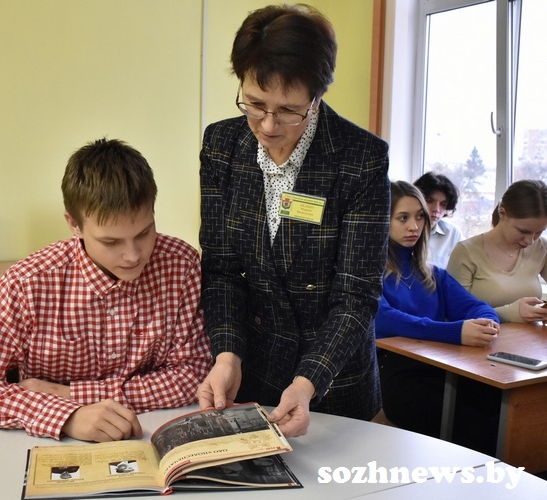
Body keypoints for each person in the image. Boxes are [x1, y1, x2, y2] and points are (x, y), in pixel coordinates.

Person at [196, 4, 390, 438]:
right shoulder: (222, 146)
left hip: (332, 377)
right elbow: (223, 270)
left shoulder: (360, 158)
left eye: (288, 110)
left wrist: (308, 382)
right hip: (254, 367)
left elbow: (356, 296)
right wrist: (227, 354)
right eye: (255, 103)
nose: (266, 124)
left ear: (316, 95)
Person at [0, 138, 212, 443]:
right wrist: (66, 416)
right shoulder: (29, 283)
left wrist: (73, 395)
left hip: (149, 435)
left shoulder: (181, 265)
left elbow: (195, 374)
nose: (134, 255)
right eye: (111, 242)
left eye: (144, 232)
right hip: (47, 444)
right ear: (74, 224)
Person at [375, 181, 500, 452]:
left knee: (499, 407)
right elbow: (384, 320)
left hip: (442, 366)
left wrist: (487, 324)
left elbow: (479, 307)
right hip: (392, 373)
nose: (414, 226)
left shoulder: (433, 274)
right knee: (474, 421)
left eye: (420, 217)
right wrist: (455, 332)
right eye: (403, 218)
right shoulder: (369, 273)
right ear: (382, 219)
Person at [447, 179, 547, 323]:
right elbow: (454, 314)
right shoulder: (466, 252)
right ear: (502, 213)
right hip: (482, 342)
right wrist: (510, 313)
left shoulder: (541, 247)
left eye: (539, 232)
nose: (530, 241)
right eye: (523, 231)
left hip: (531, 343)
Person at [413, 172, 463, 268]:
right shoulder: (402, 230)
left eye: (443, 204)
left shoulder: (453, 234)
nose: (436, 209)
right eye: (429, 201)